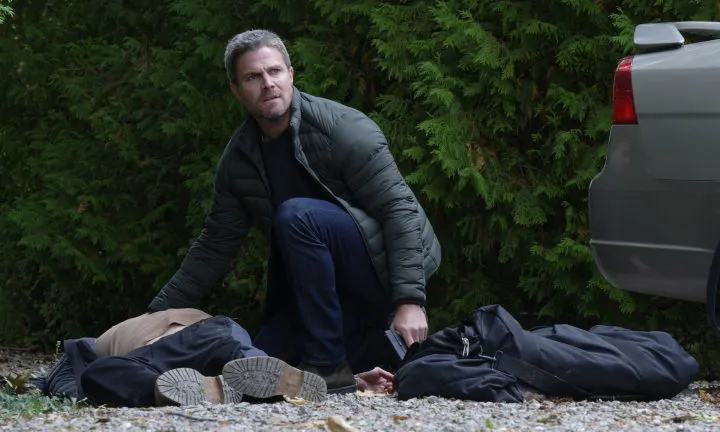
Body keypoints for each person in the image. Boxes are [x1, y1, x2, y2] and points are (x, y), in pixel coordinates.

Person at [145, 29, 442, 393]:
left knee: (296, 216)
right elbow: (214, 246)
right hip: (320, 293)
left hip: (380, 273)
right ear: (236, 89)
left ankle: (328, 368)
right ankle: (326, 369)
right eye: (253, 77)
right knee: (255, 365)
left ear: (290, 75)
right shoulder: (239, 162)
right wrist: (155, 318)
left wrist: (410, 301)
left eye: (274, 71)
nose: (267, 83)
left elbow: (399, 210)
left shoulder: (342, 129)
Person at [39, 309, 394, 408]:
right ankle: (227, 389)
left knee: (101, 375)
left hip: (188, 337)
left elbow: (71, 382)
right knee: (246, 363)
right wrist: (350, 383)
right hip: (222, 336)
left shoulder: (85, 350)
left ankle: (197, 390)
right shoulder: (138, 325)